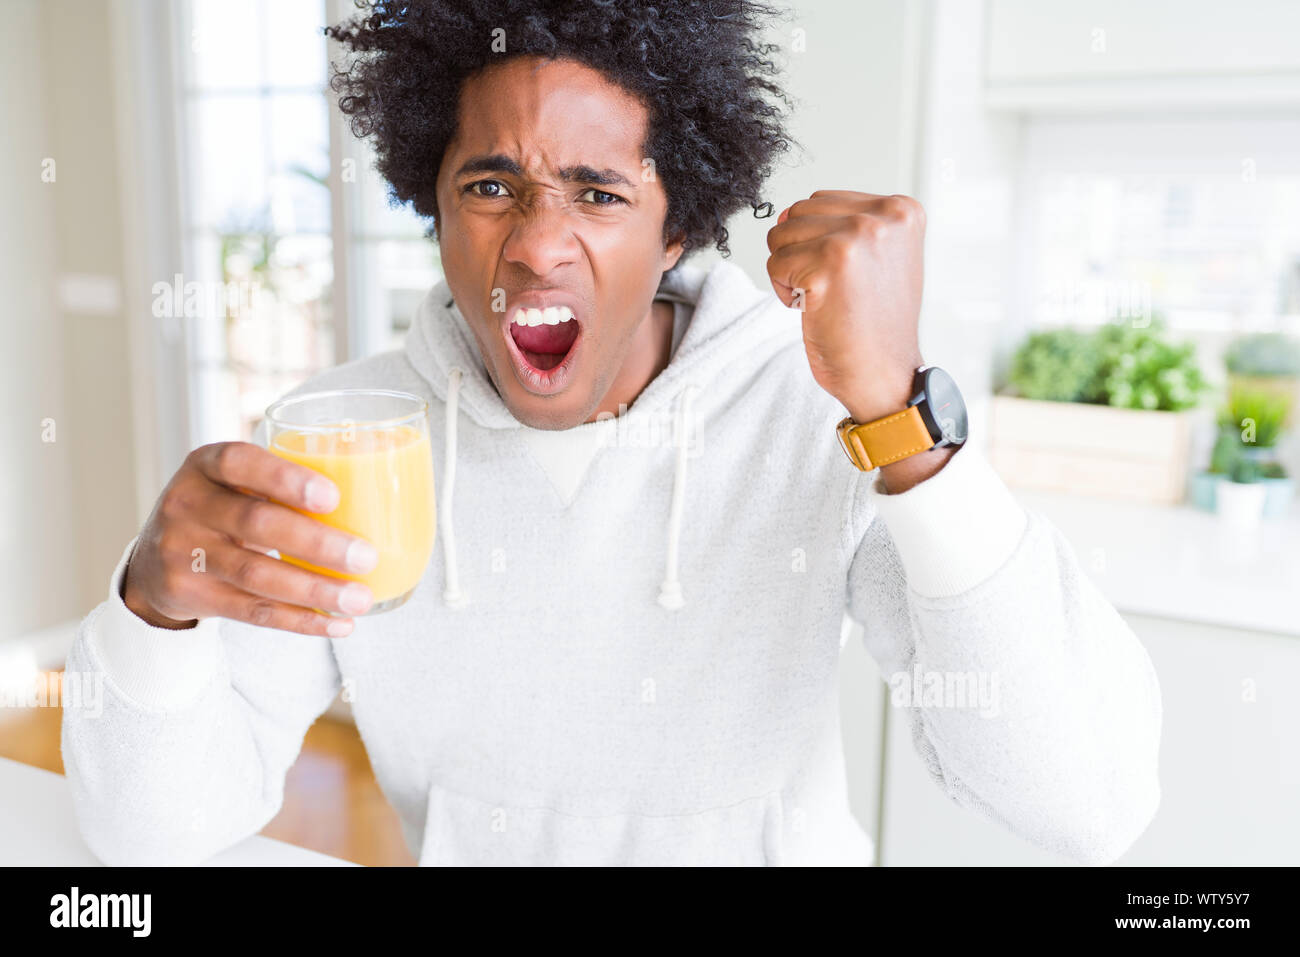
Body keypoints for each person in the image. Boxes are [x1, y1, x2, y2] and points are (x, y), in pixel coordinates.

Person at [62, 0, 1161, 866]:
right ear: (431, 205)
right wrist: (152, 607)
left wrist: (900, 419)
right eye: (490, 185)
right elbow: (144, 835)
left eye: (596, 194)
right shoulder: (352, 445)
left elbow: (1087, 804)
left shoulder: (826, 417)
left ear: (677, 222)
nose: (538, 248)